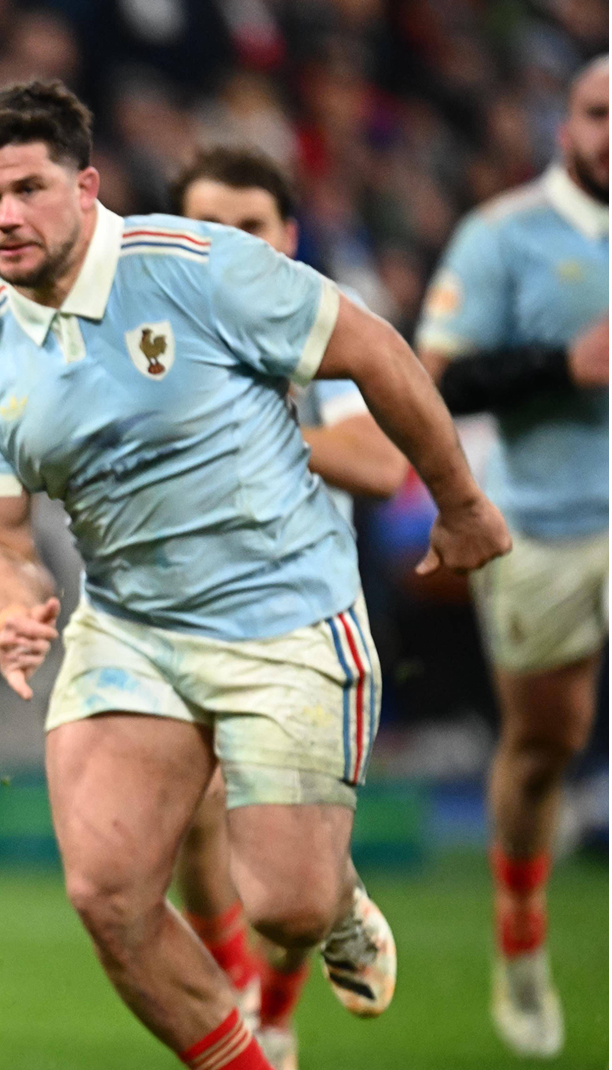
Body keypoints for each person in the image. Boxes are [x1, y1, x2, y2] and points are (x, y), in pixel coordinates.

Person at [0, 81, 509, 1070]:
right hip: (132, 631)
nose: (7, 216)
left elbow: (376, 352)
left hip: (285, 616)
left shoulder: (199, 266)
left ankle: (331, 900)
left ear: (86, 186)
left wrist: (461, 503)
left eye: (29, 189)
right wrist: (3, 610)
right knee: (107, 894)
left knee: (285, 907)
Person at [167, 144, 409, 1068]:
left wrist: (254, 432)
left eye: (252, 226)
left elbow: (381, 463)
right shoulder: (141, 337)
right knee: (194, 817)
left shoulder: (320, 328)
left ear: (290, 236)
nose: (232, 243)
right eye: (209, 225)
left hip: (302, 620)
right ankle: (248, 1001)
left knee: (278, 859)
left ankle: (280, 992)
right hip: (179, 610)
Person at [416, 54, 609, 1061]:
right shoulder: (503, 235)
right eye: (599, 113)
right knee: (545, 744)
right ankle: (522, 936)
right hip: (546, 522)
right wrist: (561, 364)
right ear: (564, 126)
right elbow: (435, 378)